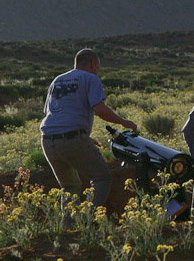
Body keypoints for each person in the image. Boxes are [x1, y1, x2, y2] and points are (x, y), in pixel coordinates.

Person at [40, 48, 137, 226]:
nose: (97, 71)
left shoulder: (57, 80)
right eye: (97, 67)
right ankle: (87, 221)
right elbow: (99, 110)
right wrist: (124, 122)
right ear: (93, 64)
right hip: (72, 138)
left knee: (69, 186)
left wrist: (83, 136)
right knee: (102, 178)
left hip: (47, 140)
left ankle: (68, 229)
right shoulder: (90, 78)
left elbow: (52, 112)